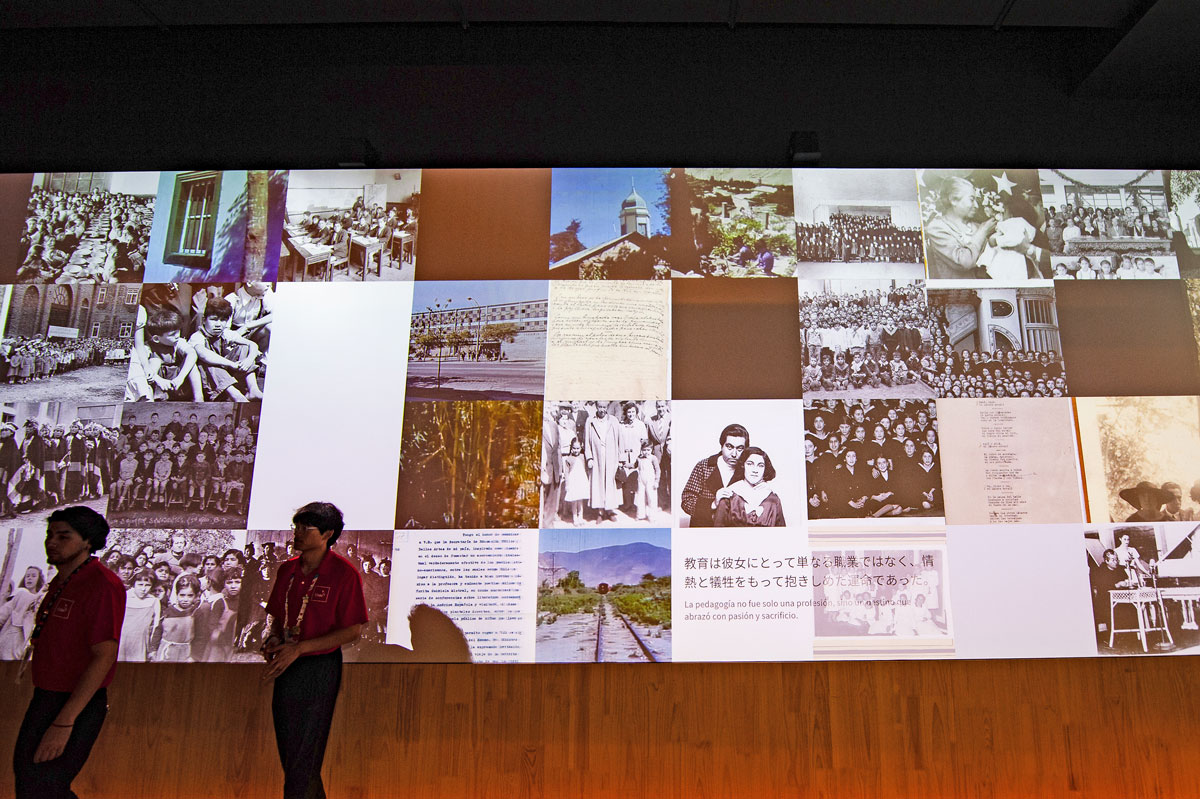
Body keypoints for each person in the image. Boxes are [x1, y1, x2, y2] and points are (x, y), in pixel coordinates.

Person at [13, 506, 125, 799]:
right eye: (50, 535)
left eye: (64, 536)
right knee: (30, 783)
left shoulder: (102, 583)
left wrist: (65, 721)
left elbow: (104, 654)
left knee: (45, 786)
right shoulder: (63, 580)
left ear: (87, 541)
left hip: (75, 702)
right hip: (46, 695)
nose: (52, 542)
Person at [262, 502, 367, 799]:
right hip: (286, 666)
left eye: (305, 528)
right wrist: (273, 640)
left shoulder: (343, 574)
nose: (297, 533)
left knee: (304, 759)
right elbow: (279, 619)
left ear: (327, 534)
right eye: (296, 526)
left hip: (319, 668)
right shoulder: (287, 571)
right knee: (291, 756)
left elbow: (353, 630)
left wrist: (301, 648)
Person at [681, 423, 749, 528]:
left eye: (740, 449)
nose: (734, 454)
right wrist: (713, 504)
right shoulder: (704, 466)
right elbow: (687, 501)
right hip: (704, 530)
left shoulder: (748, 470)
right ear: (722, 445)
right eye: (729, 447)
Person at [713, 446, 785, 527]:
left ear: (765, 469)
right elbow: (718, 533)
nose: (755, 470)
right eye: (750, 464)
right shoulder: (729, 496)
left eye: (760, 465)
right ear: (743, 466)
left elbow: (782, 534)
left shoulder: (773, 500)